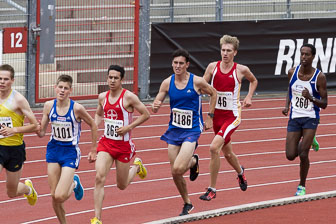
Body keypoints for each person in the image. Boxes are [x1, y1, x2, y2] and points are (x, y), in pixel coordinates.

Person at [152, 49, 217, 216]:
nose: (178, 66)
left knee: (179, 168)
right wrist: (156, 104)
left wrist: (210, 117)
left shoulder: (197, 81)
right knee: (175, 172)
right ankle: (187, 202)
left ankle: (193, 161)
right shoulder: (167, 82)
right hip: (174, 130)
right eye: (175, 63)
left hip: (192, 130)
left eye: (181, 63)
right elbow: (159, 97)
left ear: (187, 64)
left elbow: (213, 93)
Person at [200, 35, 258, 201]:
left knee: (213, 148)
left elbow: (253, 81)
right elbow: (203, 86)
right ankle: (240, 172)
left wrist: (249, 97)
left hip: (232, 116)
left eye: (228, 51)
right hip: (216, 115)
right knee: (228, 153)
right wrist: (204, 91)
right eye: (223, 50)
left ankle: (212, 189)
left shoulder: (241, 70)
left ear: (235, 53)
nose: (225, 53)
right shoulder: (212, 67)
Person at [90, 65, 150, 224]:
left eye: (116, 78)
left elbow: (146, 114)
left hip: (123, 146)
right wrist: (95, 127)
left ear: (122, 80)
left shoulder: (129, 97)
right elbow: (98, 113)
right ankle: (97, 218)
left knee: (121, 185)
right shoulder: (102, 97)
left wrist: (128, 127)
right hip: (106, 143)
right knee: (99, 177)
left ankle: (137, 167)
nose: (112, 80)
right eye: (110, 77)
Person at [37, 74, 98, 224]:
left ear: (71, 90)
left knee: (60, 196)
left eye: (66, 88)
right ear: (55, 88)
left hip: (70, 152)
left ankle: (75, 183)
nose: (62, 91)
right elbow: (42, 133)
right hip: (53, 149)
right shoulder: (48, 106)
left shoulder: (77, 108)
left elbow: (93, 125)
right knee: (54, 195)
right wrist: (37, 128)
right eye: (60, 87)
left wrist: (93, 149)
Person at [282, 43, 327, 196]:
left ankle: (301, 186)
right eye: (302, 54)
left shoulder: (319, 77)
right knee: (290, 155)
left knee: (303, 154)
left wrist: (311, 98)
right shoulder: (292, 72)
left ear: (313, 57)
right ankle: (310, 139)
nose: (303, 57)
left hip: (310, 118)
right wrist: (287, 106)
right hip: (295, 117)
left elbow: (325, 104)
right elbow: (290, 90)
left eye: (307, 54)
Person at [0, 64, 39, 206]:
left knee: (11, 192)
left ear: (12, 80)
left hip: (14, 149)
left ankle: (29, 190)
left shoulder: (18, 99)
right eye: (0, 79)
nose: (2, 82)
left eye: (5, 79)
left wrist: (13, 130)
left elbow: (35, 126)